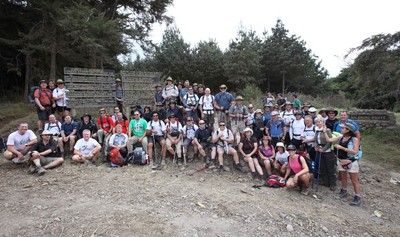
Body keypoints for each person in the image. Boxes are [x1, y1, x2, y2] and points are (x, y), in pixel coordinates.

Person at [323, 122, 362, 206]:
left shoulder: (354, 139)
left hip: (350, 161)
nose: (341, 129)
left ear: (348, 130)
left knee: (354, 180)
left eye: (343, 128)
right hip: (341, 160)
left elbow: (355, 151)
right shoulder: (341, 137)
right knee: (343, 177)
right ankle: (343, 190)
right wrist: (325, 132)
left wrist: (342, 148)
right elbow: (328, 140)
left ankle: (357, 196)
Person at [314, 115, 336, 191]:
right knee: (323, 167)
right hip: (320, 150)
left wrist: (323, 149)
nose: (318, 123)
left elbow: (329, 141)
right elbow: (316, 140)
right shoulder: (317, 130)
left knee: (330, 167)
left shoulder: (328, 130)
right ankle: (325, 181)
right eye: (316, 122)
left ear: (322, 122)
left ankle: (332, 183)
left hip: (327, 151)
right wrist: (316, 146)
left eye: (319, 122)